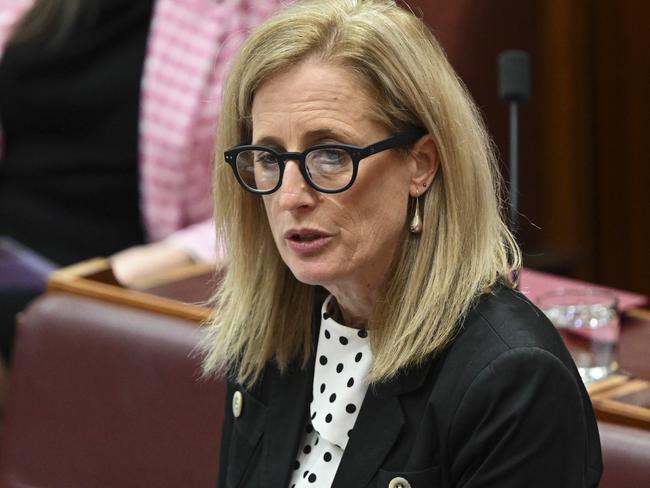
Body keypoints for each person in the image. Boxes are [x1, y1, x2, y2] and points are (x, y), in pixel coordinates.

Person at [201, 1, 603, 487]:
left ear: (421, 164)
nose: (290, 196)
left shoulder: (512, 379)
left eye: (330, 155)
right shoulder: (270, 338)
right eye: (268, 157)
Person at [0, 0, 280, 362]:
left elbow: (278, 194)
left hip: (126, 277)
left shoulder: (255, 13)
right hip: (13, 253)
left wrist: (158, 264)